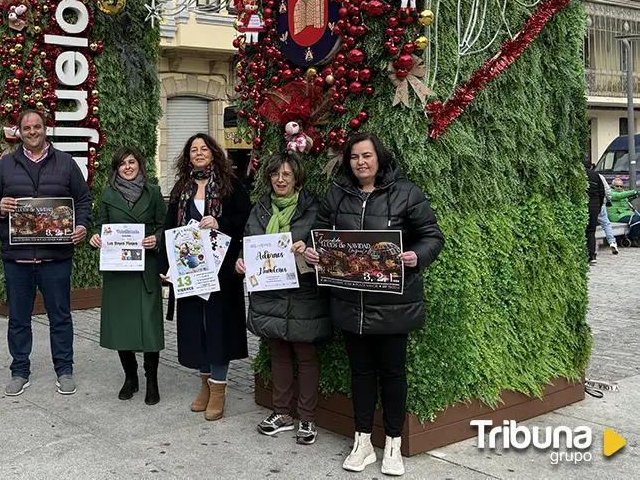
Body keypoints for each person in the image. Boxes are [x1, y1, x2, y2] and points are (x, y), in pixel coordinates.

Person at [304, 133, 443, 476]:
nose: (360, 162)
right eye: (354, 157)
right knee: (361, 373)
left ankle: (393, 443)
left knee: (393, 373)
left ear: (379, 158)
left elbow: (433, 236)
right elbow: (320, 233)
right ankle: (363, 441)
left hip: (393, 303)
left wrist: (416, 256)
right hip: (351, 303)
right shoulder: (338, 192)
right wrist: (313, 251)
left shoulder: (406, 192)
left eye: (366, 155)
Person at [0, 110, 92, 396]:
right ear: (19, 132)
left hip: (55, 257)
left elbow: (82, 199)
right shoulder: (6, 165)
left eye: (37, 126)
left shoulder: (65, 163)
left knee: (60, 316)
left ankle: (64, 370)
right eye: (27, 127)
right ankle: (19, 371)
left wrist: (81, 225)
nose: (32, 131)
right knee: (18, 318)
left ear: (46, 129)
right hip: (17, 259)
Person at [236, 150, 330, 444]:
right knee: (278, 353)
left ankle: (307, 418)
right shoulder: (260, 209)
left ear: (297, 178)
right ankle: (282, 413)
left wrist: (308, 252)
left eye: (286, 174)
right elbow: (249, 242)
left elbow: (325, 247)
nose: (280, 179)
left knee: (305, 354)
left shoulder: (313, 208)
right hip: (269, 291)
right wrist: (241, 260)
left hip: (302, 291)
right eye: (275, 174)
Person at [159, 133, 251, 421]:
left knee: (218, 328)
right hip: (190, 271)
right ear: (188, 157)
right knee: (197, 328)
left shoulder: (230, 185)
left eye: (204, 148)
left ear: (214, 153)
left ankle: (219, 389)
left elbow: (246, 219)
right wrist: (166, 266)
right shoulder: (181, 188)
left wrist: (220, 221)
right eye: (193, 150)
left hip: (222, 271)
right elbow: (168, 228)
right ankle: (205, 385)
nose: (199, 153)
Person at [89, 147, 167, 405]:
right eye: (122, 164)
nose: (128, 167)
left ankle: (153, 381)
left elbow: (164, 226)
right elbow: (100, 224)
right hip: (118, 272)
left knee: (150, 327)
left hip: (146, 268)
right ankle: (130, 377)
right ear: (116, 169)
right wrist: (97, 236)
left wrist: (155, 239)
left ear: (139, 164)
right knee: (122, 327)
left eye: (132, 162)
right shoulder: (108, 193)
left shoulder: (153, 192)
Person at [609, 178, 640, 245]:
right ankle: (633, 239)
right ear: (612, 186)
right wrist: (634, 192)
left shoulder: (623, 192)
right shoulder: (610, 193)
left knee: (638, 218)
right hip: (617, 216)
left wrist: (636, 195)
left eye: (621, 186)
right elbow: (619, 196)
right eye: (617, 186)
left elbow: (625, 197)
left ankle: (638, 238)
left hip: (625, 214)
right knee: (636, 220)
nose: (619, 188)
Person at [585, 161, 605, 264]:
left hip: (584, 204)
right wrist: (599, 205)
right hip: (595, 205)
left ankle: (583, 253)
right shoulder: (596, 175)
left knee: (583, 229)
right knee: (591, 231)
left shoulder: (580, 174)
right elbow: (602, 192)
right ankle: (592, 255)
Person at [596, 172, 618, 255]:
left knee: (590, 226)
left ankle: (591, 247)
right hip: (600, 202)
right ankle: (612, 242)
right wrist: (609, 200)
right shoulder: (599, 176)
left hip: (588, 203)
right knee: (606, 224)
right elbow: (607, 190)